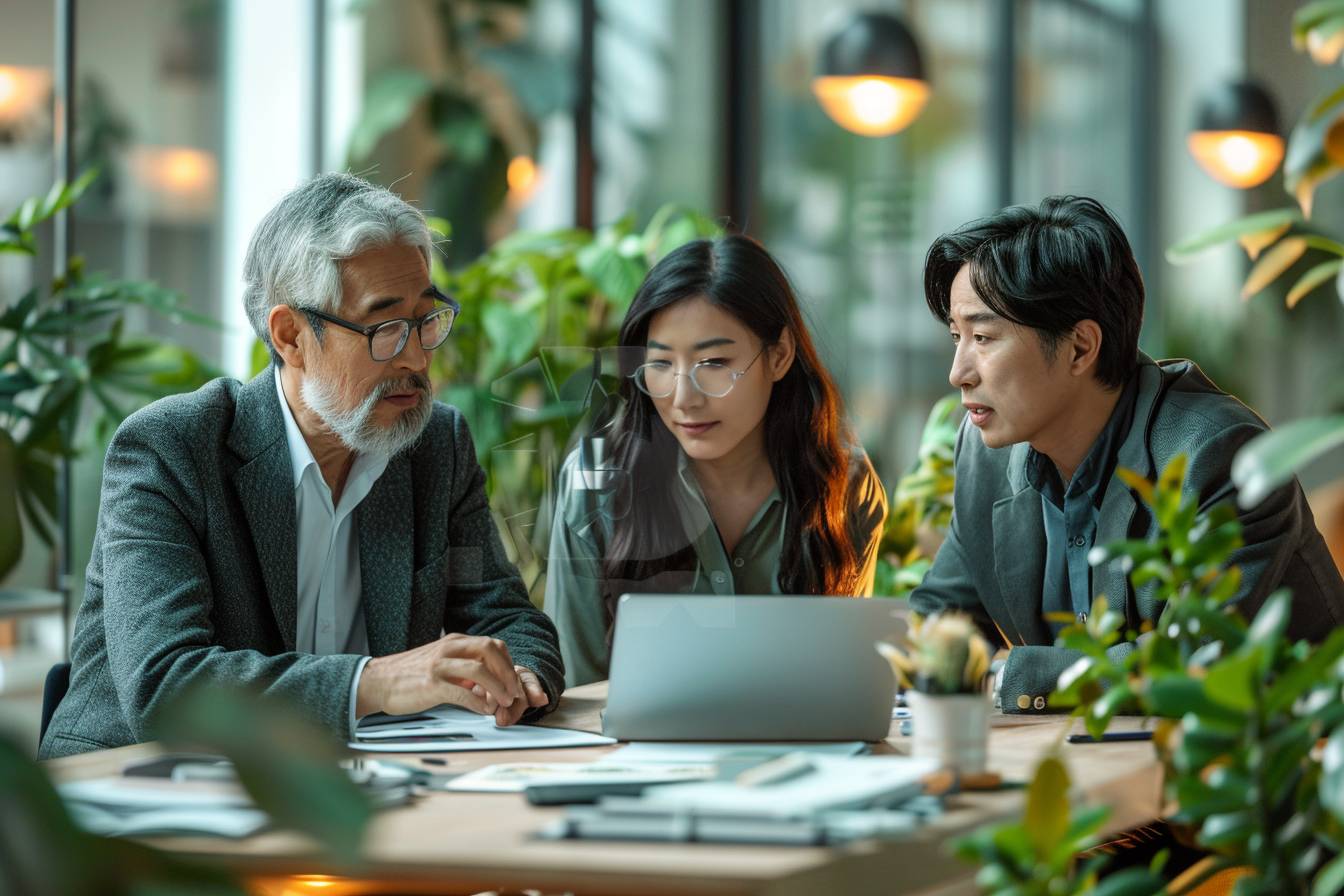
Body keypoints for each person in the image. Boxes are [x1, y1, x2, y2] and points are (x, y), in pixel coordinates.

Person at [40, 174, 563, 759]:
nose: (417, 355)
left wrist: (520, 674)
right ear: (290, 336)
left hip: (347, 788)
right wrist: (378, 682)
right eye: (385, 328)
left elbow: (505, 615)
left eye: (425, 320)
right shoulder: (173, 448)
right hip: (130, 794)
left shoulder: (434, 445)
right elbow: (168, 689)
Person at [909, 194, 1344, 714]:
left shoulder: (1221, 455)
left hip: (1277, 771)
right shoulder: (986, 455)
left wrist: (1011, 673)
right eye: (957, 337)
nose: (959, 372)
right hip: (1101, 761)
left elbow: (1195, 658)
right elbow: (941, 616)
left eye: (982, 337)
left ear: (1079, 348)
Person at [544, 234, 888, 687]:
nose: (684, 399)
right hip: (633, 757)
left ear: (780, 355)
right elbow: (576, 689)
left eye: (713, 363)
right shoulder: (595, 483)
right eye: (661, 364)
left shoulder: (843, 482)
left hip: (802, 752)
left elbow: (842, 683)